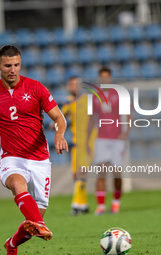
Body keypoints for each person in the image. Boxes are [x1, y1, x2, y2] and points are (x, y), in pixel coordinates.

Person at [0, 45, 68, 255]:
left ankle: (12, 244)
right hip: (12, 157)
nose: (13, 70)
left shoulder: (36, 88)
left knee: (32, 224)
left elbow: (58, 117)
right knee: (18, 185)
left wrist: (59, 134)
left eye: (16, 65)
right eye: (8, 65)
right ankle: (38, 222)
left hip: (39, 159)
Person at [86, 67, 131, 215]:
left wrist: (126, 132)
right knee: (101, 171)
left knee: (117, 173)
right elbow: (91, 119)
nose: (105, 80)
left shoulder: (119, 94)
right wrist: (87, 140)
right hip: (102, 139)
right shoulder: (94, 96)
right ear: (99, 79)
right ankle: (101, 206)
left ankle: (116, 203)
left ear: (110, 78)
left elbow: (129, 113)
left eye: (107, 77)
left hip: (117, 139)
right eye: (102, 77)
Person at [59, 75, 97, 215]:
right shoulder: (67, 102)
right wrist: (54, 124)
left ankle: (76, 206)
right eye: (72, 85)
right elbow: (61, 117)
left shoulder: (87, 100)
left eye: (77, 84)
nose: (75, 87)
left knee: (81, 173)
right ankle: (84, 205)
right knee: (76, 175)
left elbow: (93, 120)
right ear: (69, 87)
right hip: (76, 143)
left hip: (88, 142)